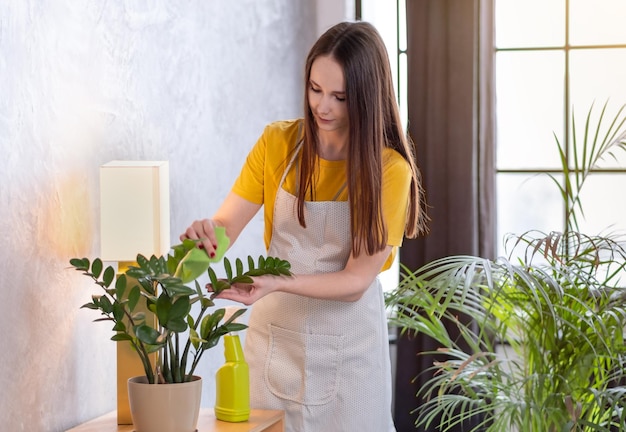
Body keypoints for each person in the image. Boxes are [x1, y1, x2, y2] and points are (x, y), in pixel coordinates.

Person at [181, 21, 428, 432]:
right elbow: (225, 226)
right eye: (315, 89)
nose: (322, 107)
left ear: (367, 97)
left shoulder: (389, 170)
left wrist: (277, 282)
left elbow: (354, 281)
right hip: (274, 345)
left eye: (340, 96)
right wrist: (204, 236)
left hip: (351, 356)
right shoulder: (277, 143)